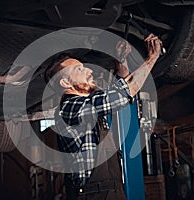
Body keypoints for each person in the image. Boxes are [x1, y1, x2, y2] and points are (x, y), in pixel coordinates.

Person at [44, 34, 162, 200]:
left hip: (109, 191)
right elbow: (121, 94)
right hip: (93, 194)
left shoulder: (87, 107)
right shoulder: (69, 109)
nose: (89, 70)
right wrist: (152, 58)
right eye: (79, 69)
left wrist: (120, 60)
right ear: (65, 83)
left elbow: (119, 91)